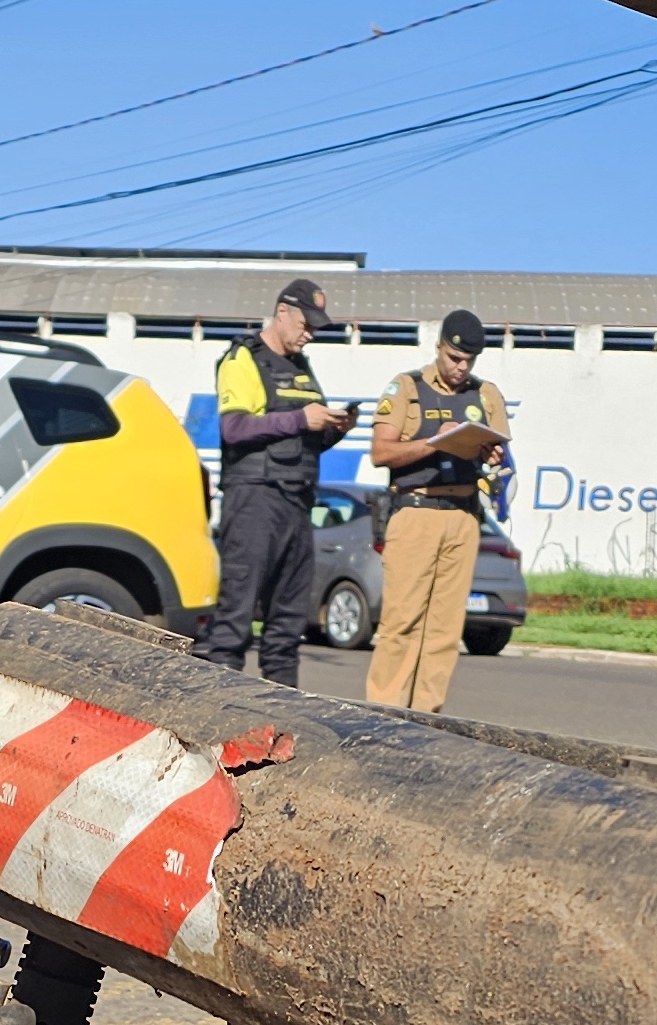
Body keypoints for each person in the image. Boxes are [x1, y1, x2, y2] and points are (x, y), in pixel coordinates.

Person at [195, 278, 348, 683]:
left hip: (298, 503)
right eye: (305, 322)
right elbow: (235, 428)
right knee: (234, 622)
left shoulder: (301, 368)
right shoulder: (242, 358)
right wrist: (302, 418)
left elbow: (302, 438)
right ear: (282, 312)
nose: (309, 333)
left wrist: (334, 427)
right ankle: (220, 720)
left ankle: (281, 731)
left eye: (316, 326)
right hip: (254, 500)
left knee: (287, 628)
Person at [362, 309, 510, 713]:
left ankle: (427, 717)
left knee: (445, 628)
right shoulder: (406, 387)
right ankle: (384, 713)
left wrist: (493, 455)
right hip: (416, 509)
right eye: (454, 358)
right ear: (439, 347)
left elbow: (502, 458)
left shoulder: (486, 395)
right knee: (401, 622)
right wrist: (435, 442)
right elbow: (381, 452)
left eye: (469, 361)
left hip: (463, 515)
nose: (461, 368)